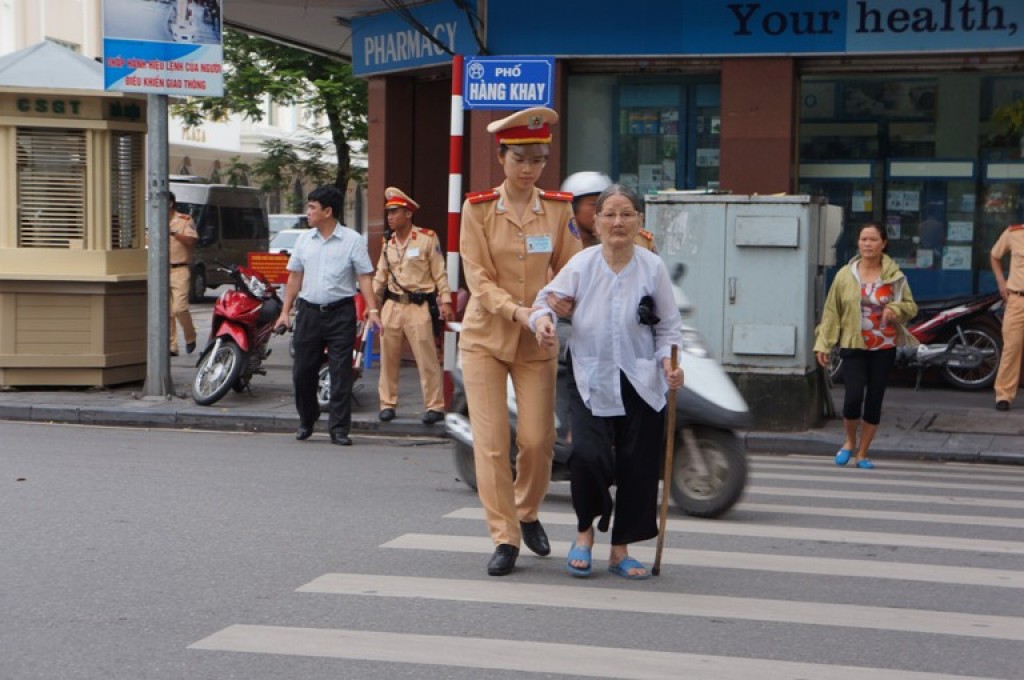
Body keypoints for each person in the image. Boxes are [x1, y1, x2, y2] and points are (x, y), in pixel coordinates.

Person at [530, 184, 683, 580]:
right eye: (609, 214)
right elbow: (543, 302)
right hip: (589, 376)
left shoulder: (653, 268)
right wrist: (545, 320)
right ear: (595, 223)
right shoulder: (582, 265)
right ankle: (584, 534)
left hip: (640, 379)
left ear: (639, 222)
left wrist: (669, 364)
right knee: (587, 455)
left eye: (627, 214)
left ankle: (621, 550)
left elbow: (668, 326)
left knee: (638, 464)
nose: (618, 222)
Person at [459, 106, 581, 576]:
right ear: (502, 157)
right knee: (491, 444)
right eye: (521, 159)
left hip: (538, 338)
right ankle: (505, 536)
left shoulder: (557, 207)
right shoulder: (478, 208)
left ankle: (527, 510)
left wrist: (560, 305)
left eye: (539, 160)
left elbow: (572, 268)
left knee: (537, 439)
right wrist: (519, 311)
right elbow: (478, 277)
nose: (529, 169)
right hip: (486, 337)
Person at [275, 185, 381, 446]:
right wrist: (284, 312)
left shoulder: (352, 240)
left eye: (312, 207)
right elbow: (294, 277)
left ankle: (339, 428)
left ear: (328, 211)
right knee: (303, 372)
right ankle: (306, 420)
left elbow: (364, 277)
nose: (308, 212)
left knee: (341, 372)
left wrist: (373, 309)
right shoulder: (304, 240)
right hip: (309, 313)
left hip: (341, 313)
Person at [814, 223, 918, 469]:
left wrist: (895, 310)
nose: (867, 244)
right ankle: (849, 441)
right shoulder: (845, 275)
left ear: (883, 243)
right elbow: (832, 311)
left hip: (884, 346)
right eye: (863, 239)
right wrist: (824, 344)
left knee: (874, 399)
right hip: (853, 343)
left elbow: (911, 307)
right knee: (852, 398)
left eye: (873, 239)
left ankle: (862, 453)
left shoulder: (895, 276)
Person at [372, 187, 454, 425]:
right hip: (392, 305)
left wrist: (446, 299)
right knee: (388, 358)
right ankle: (387, 403)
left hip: (418, 306)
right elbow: (381, 273)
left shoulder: (427, 238)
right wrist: (371, 306)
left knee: (426, 357)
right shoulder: (387, 242)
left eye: (395, 212)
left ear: (408, 213)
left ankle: (435, 405)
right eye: (388, 212)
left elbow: (440, 272)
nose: (390, 217)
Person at [561, 171, 657, 252]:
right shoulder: (559, 243)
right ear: (573, 208)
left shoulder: (638, 239)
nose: (601, 210)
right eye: (593, 204)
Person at [990, 222, 1024, 411]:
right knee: (1011, 348)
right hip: (1017, 300)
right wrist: (1001, 282)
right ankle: (1003, 395)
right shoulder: (1014, 233)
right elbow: (995, 256)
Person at [168, 192, 198, 357]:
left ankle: (190, 336)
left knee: (180, 308)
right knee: (166, 311)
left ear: (171, 203)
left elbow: (192, 241)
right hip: (161, 270)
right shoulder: (154, 220)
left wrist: (173, 233)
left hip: (180, 269)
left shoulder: (184, 220)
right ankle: (172, 345)